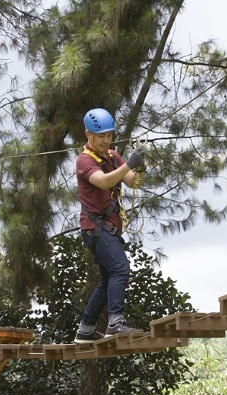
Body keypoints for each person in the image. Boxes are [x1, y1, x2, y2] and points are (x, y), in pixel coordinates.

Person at [73, 108, 147, 344]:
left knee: (108, 280)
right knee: (120, 269)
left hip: (109, 229)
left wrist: (140, 167)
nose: (106, 140)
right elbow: (104, 181)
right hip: (95, 228)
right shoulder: (84, 161)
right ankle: (115, 323)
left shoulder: (113, 156)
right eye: (101, 135)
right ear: (89, 134)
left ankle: (85, 329)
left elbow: (132, 182)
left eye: (109, 135)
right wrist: (129, 164)